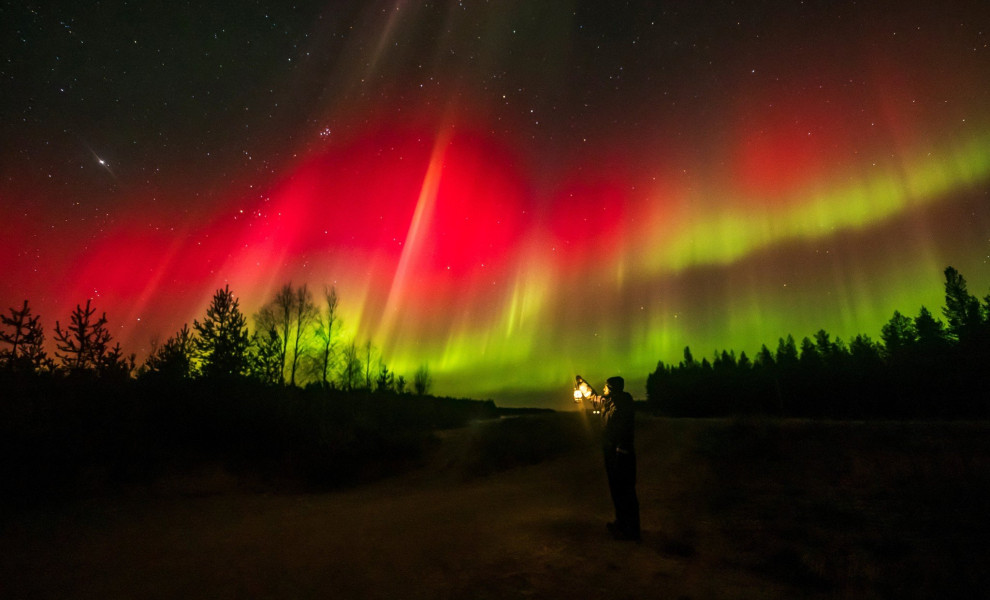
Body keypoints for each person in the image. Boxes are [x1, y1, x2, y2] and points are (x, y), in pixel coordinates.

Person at [576, 375, 641, 541]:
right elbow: (592, 396)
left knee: (625, 490)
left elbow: (623, 429)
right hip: (611, 451)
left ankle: (631, 530)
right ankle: (621, 523)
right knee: (616, 489)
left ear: (611, 388)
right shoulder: (608, 401)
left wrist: (621, 449)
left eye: (605, 387)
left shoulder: (623, 404)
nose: (603, 389)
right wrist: (582, 384)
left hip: (622, 453)